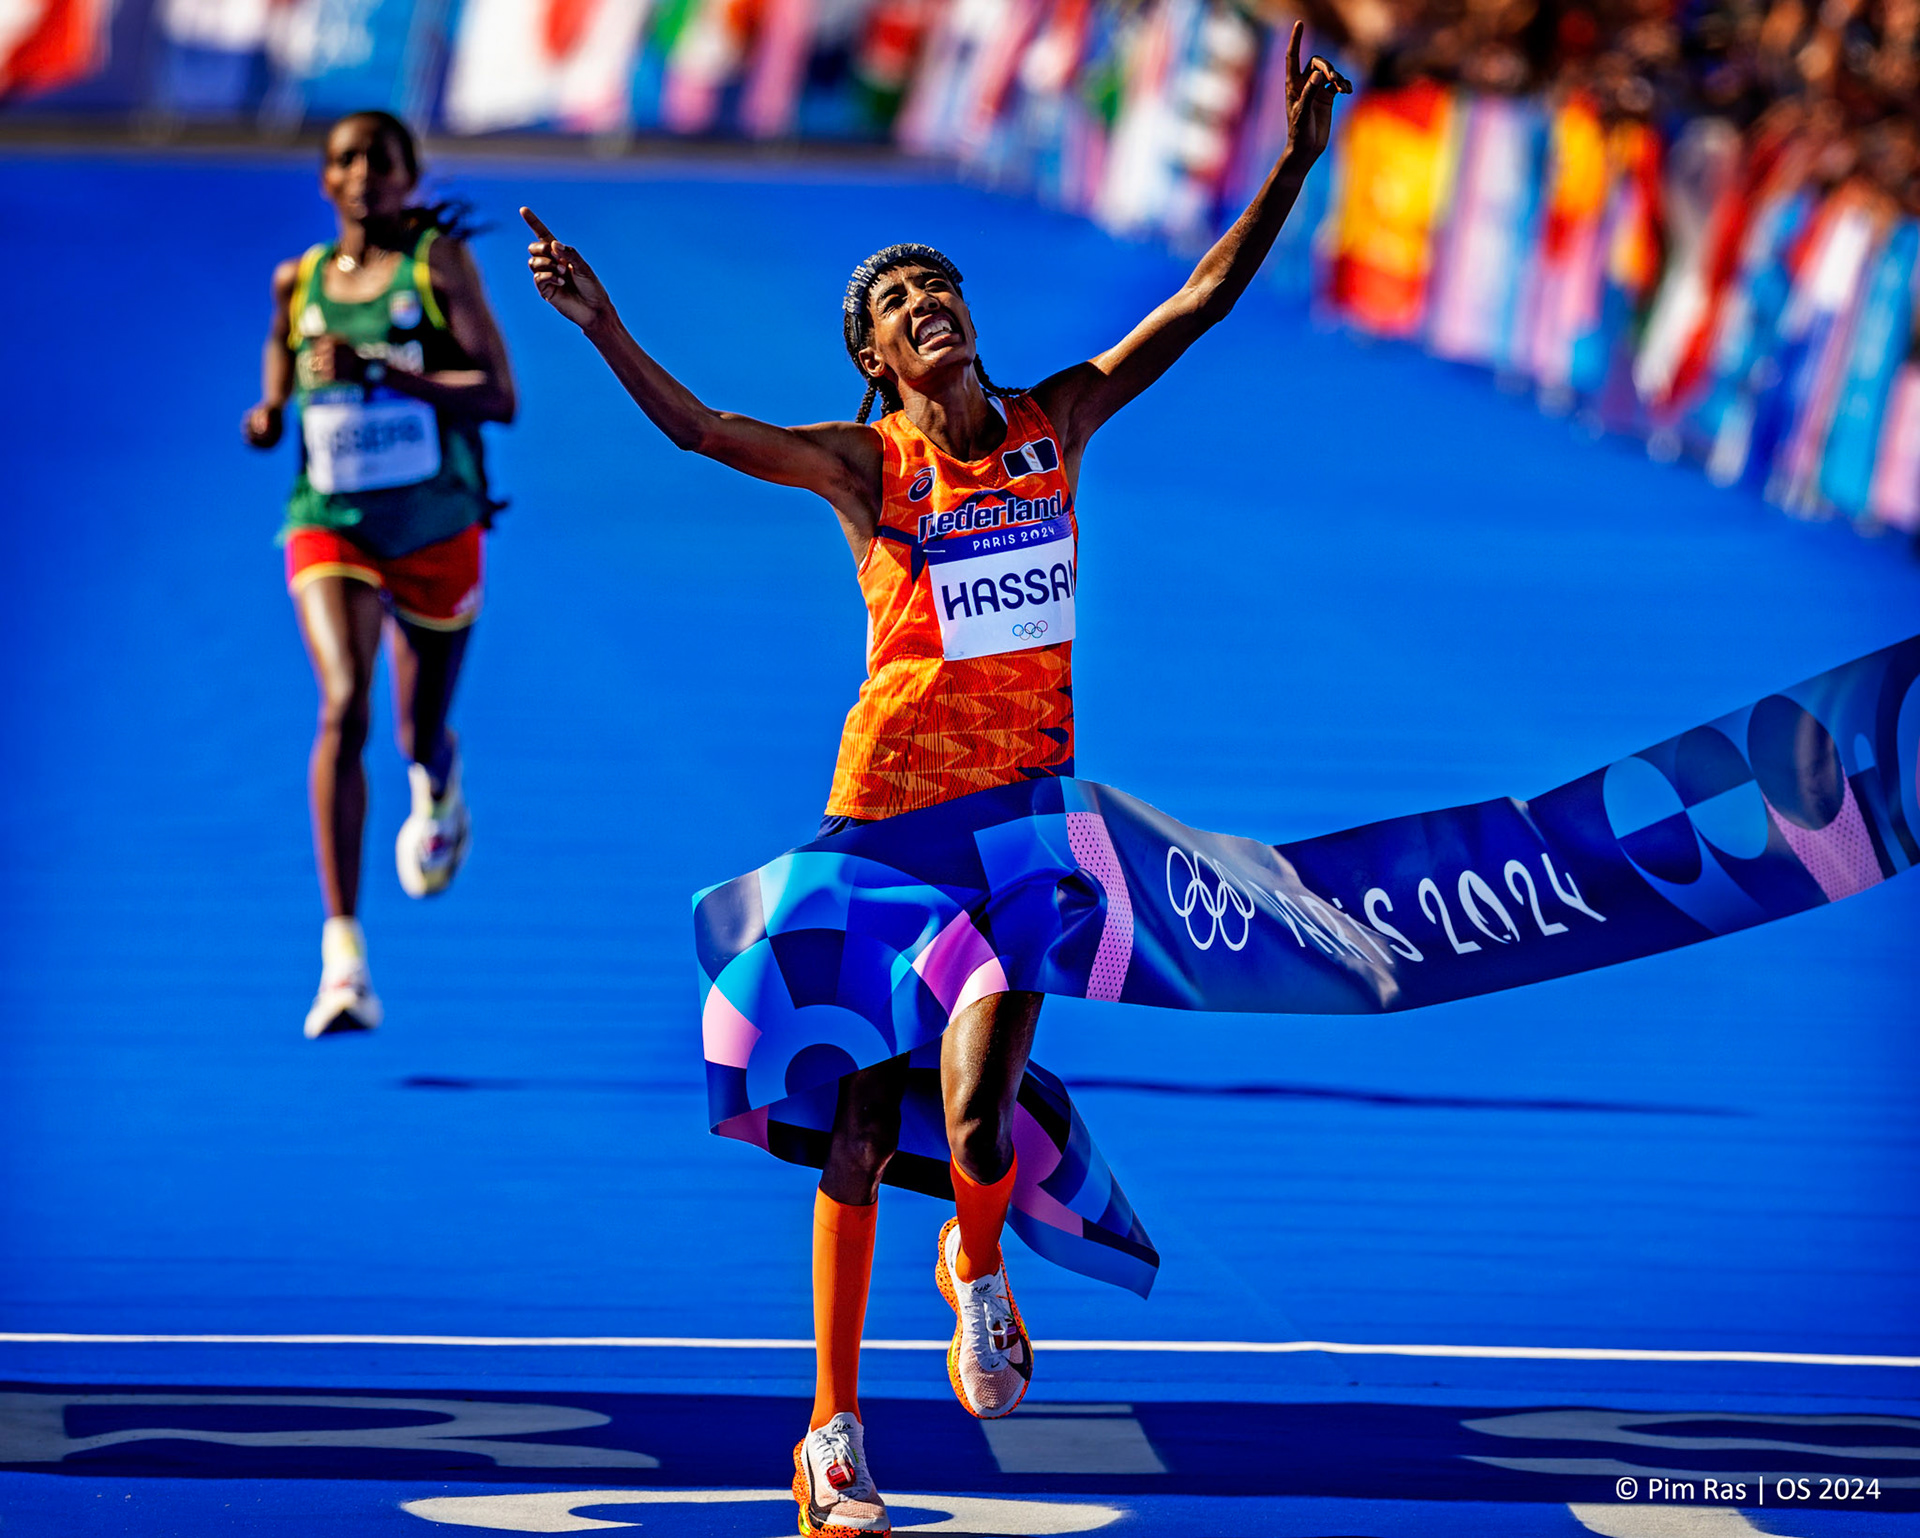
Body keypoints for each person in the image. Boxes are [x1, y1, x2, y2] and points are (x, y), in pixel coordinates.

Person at [522, 26, 1347, 1535]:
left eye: (941, 288)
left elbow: (1199, 303)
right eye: (901, 305)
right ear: (878, 362)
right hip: (885, 836)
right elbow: (707, 429)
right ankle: (831, 1434)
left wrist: (1290, 160)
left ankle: (975, 1259)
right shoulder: (870, 469)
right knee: (850, 1124)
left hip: (1024, 830)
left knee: (975, 1121)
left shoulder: (1055, 423)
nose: (932, 307)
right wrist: (599, 324)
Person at [244, 110, 517, 1040]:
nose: (364, 175)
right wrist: (272, 410)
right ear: (326, 180)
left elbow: (500, 396)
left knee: (414, 727)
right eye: (346, 161)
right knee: (344, 703)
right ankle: (344, 958)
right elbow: (285, 354)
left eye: (382, 161)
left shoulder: (438, 270)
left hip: (437, 524)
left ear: (409, 174)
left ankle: (439, 784)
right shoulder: (300, 280)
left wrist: (387, 372)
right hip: (331, 525)